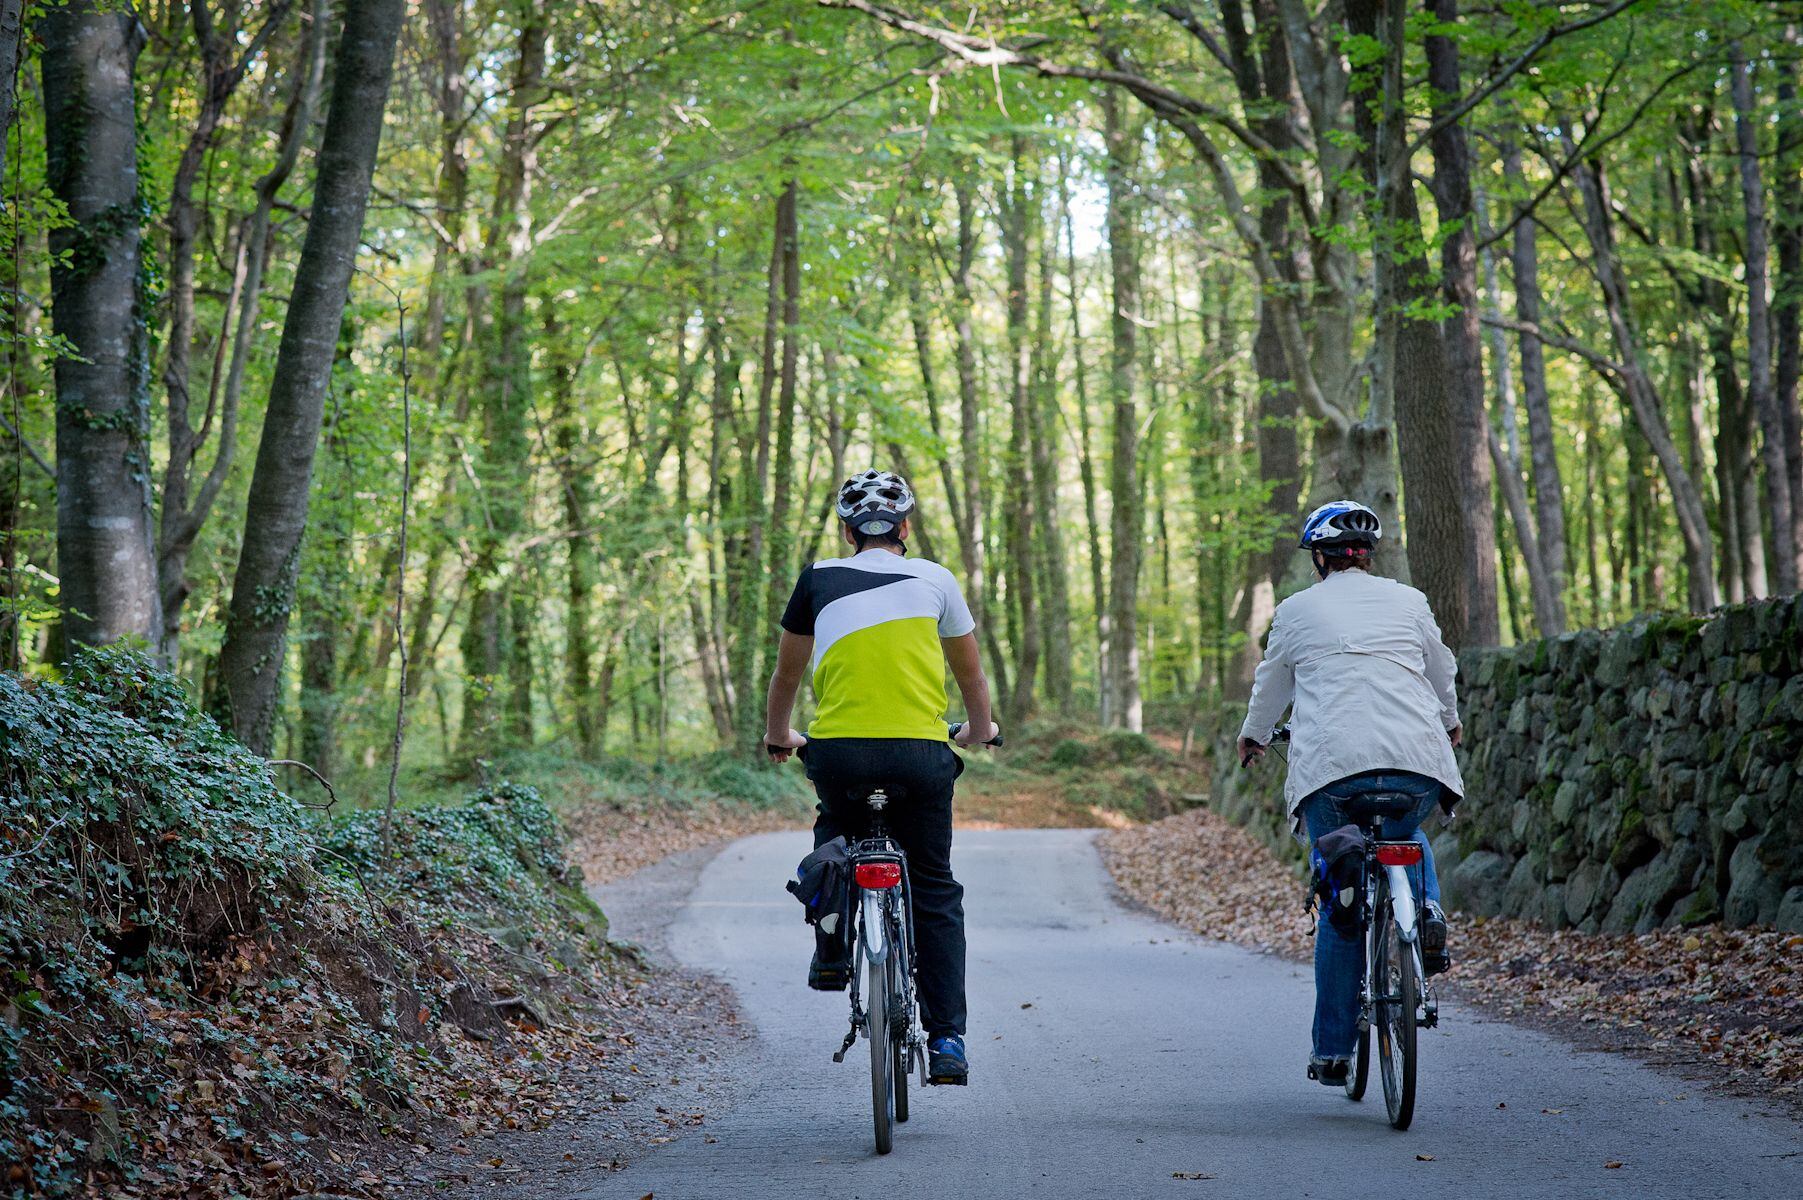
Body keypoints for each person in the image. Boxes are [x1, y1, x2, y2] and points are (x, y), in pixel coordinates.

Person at [764, 470, 998, 1086]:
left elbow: (786, 677)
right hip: (920, 756)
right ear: (906, 529)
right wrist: (980, 730)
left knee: (833, 837)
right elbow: (971, 679)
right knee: (934, 886)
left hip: (838, 753)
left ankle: (833, 949)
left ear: (846, 531)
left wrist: (778, 735)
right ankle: (947, 1039)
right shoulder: (936, 579)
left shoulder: (816, 578)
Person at [1236, 500, 1464, 1088]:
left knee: (1341, 910)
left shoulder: (1295, 610)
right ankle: (1428, 913)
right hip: (1417, 764)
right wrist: (1450, 719)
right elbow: (1441, 669)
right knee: (1405, 836)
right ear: (1369, 556)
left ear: (1320, 558)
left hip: (1334, 775)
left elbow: (1272, 684)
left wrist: (1254, 736)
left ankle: (1334, 1053)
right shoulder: (1410, 602)